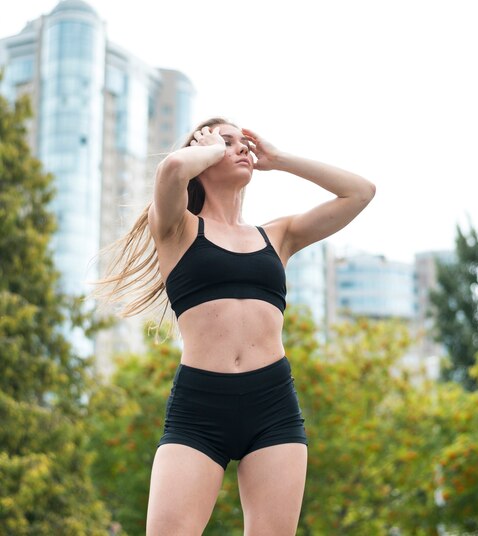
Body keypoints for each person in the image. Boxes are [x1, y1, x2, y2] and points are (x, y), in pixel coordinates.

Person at [97, 117, 375, 535]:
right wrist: (209, 146)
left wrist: (278, 159)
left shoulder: (277, 236)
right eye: (228, 143)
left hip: (273, 405)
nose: (242, 148)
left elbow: (360, 192)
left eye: (244, 142)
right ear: (201, 156)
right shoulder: (177, 228)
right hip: (200, 407)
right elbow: (171, 171)